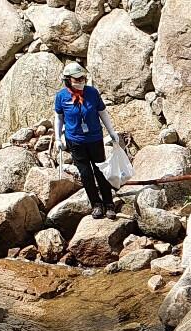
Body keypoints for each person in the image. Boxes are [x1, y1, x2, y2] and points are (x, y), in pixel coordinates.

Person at [53, 62, 122, 219]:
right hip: (75, 141)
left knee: (100, 171)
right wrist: (58, 138)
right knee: (86, 174)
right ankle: (96, 204)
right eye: (76, 79)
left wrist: (111, 132)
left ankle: (109, 204)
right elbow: (59, 118)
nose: (80, 81)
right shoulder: (61, 97)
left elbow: (102, 112)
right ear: (68, 80)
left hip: (94, 139)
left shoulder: (92, 93)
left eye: (83, 78)